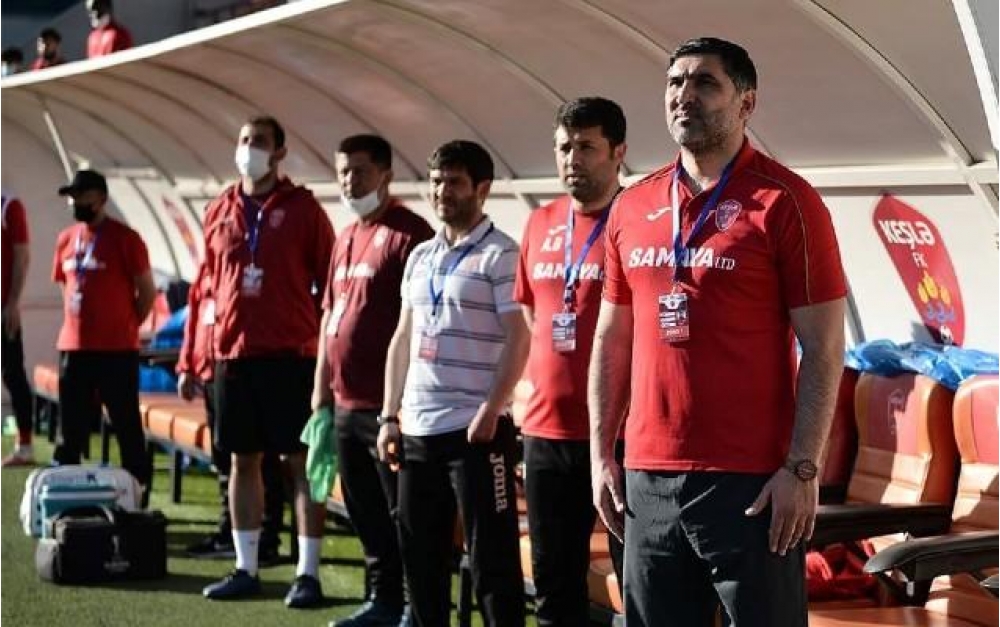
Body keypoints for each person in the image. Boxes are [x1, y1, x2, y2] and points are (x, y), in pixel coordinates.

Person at [589, 37, 847, 627]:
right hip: (647, 478)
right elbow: (612, 339)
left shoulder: (786, 201)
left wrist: (801, 470)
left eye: (705, 83)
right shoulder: (632, 205)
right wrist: (603, 455)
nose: (685, 95)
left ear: (746, 103)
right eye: (675, 82)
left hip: (752, 482)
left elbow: (824, 348)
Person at [378, 140, 529, 627]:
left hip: (475, 433)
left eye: (455, 182)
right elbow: (403, 337)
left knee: (492, 562)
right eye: (437, 181)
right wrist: (388, 416)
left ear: (481, 189)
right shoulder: (421, 255)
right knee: (420, 560)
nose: (442, 191)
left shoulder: (502, 254)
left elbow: (519, 337)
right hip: (417, 430)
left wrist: (492, 409)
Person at [198, 115, 334, 609]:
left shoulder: (304, 210)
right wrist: (201, 351)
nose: (249, 148)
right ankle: (246, 567)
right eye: (243, 140)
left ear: (279, 152)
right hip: (233, 356)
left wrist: (317, 341)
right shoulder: (220, 208)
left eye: (259, 141)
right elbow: (207, 283)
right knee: (242, 460)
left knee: (299, 463)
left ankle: (308, 573)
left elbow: (331, 284)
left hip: (290, 355)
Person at [513, 97, 626, 626]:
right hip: (546, 432)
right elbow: (532, 314)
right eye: (563, 147)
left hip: (620, 437)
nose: (572, 159)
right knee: (554, 585)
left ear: (618, 152)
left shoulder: (637, 219)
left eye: (586, 147)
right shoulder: (540, 222)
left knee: (638, 582)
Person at [313, 135, 434, 627]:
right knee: (363, 510)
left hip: (390, 408)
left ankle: (412, 606)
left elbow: (422, 323)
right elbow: (330, 316)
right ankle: (383, 600)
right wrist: (320, 393)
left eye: (360, 171)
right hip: (345, 403)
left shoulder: (411, 234)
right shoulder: (345, 235)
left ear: (385, 174)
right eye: (343, 171)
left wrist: (399, 407)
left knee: (401, 513)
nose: (349, 181)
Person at [50, 169, 156, 491]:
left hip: (116, 350)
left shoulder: (126, 239)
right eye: (72, 197)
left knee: (125, 423)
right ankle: (65, 491)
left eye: (82, 196)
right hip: (74, 348)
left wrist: (127, 324)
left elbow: (146, 292)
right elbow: (64, 286)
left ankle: (136, 488)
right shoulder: (66, 239)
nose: (75, 202)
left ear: (101, 198)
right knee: (71, 427)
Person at [177, 266, 285, 563]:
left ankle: (266, 535)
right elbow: (194, 316)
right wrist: (186, 365)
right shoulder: (206, 269)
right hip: (212, 372)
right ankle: (230, 529)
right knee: (224, 458)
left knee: (260, 459)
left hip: (240, 368)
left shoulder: (243, 264)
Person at [2, 191, 35, 467]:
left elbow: (22, 256)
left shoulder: (8, 206)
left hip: (3, 308)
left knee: (12, 374)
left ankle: (24, 446)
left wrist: (12, 303)